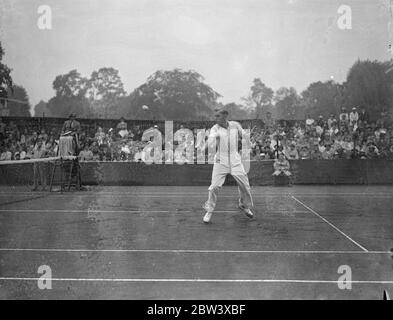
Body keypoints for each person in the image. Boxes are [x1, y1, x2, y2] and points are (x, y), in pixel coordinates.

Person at [202, 109, 254, 224]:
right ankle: (209, 210)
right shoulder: (215, 128)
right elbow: (211, 139)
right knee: (214, 186)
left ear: (225, 116)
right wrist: (204, 147)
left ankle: (244, 205)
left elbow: (244, 134)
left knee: (245, 186)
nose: (216, 118)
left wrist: (249, 142)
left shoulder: (235, 125)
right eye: (215, 116)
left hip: (235, 159)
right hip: (221, 160)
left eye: (218, 116)